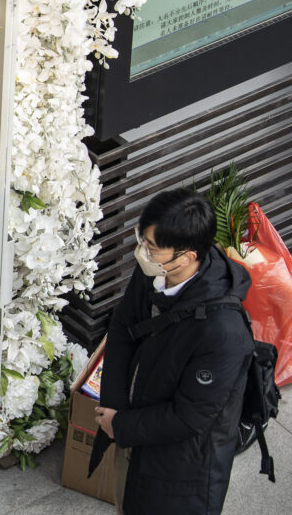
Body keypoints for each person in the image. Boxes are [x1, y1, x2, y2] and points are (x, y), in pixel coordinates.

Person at [93, 188, 254, 515]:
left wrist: (122, 426)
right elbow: (123, 325)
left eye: (151, 246)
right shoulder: (155, 269)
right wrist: (114, 409)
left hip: (179, 471)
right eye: (143, 240)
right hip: (131, 427)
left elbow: (189, 416)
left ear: (187, 257)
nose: (142, 252)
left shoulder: (223, 332)